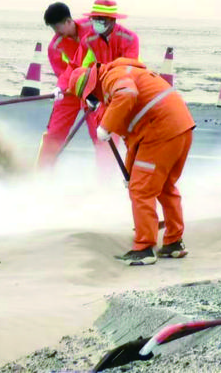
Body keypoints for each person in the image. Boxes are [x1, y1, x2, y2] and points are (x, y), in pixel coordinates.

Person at [66, 59, 195, 266]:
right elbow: (132, 141)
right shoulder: (122, 77)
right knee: (164, 187)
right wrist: (129, 172)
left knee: (141, 191)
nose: (92, 100)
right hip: (180, 128)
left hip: (160, 130)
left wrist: (106, 125)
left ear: (91, 88)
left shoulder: (111, 77)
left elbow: (127, 93)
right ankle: (173, 242)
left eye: (89, 96)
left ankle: (144, 248)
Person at [36, 1, 99, 167]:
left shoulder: (92, 29)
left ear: (69, 21)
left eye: (57, 27)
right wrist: (60, 88)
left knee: (100, 133)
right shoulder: (55, 47)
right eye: (53, 29)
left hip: (95, 90)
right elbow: (63, 73)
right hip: (70, 90)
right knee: (54, 132)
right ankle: (43, 171)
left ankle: (107, 174)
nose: (56, 33)